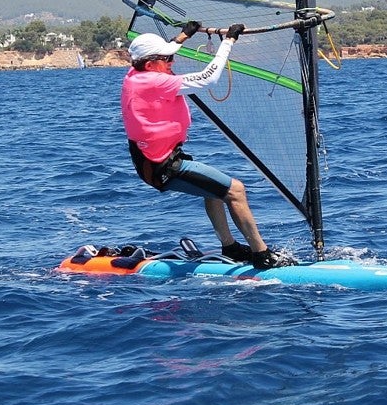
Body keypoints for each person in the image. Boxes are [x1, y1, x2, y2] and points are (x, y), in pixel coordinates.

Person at [120, 21, 294, 269]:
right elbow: (208, 78)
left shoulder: (136, 73)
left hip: (157, 158)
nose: (172, 63)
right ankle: (262, 255)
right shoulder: (154, 82)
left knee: (215, 192)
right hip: (161, 164)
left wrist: (183, 36)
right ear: (151, 64)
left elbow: (164, 52)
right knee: (235, 190)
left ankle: (230, 247)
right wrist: (228, 42)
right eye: (167, 60)